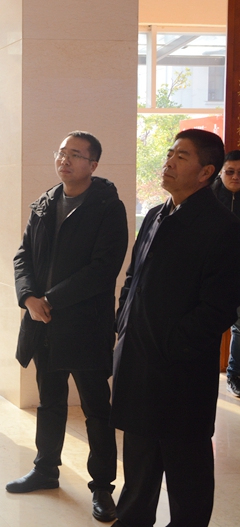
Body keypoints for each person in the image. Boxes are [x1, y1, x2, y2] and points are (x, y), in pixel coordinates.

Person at [111, 129, 240, 527]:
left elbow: (219, 307)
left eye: (181, 157)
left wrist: (173, 344)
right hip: (138, 363)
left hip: (181, 372)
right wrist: (123, 321)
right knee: (138, 471)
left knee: (187, 477)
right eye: (170, 153)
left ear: (206, 172)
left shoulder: (222, 227)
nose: (168, 162)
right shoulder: (156, 214)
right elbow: (134, 277)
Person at [9, 131, 128, 523]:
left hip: (85, 325)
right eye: (62, 152)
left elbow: (103, 269)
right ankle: (45, 469)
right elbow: (23, 255)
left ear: (93, 164)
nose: (65, 159)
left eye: (75, 154)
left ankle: (102, 487)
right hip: (43, 323)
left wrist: (51, 299)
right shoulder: (45, 203)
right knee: (50, 401)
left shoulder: (108, 207)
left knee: (96, 408)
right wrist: (29, 297)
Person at [212, 150, 240, 397]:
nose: (235, 177)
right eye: (230, 172)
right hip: (212, 273)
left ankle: (234, 375)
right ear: (220, 172)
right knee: (209, 326)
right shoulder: (207, 198)